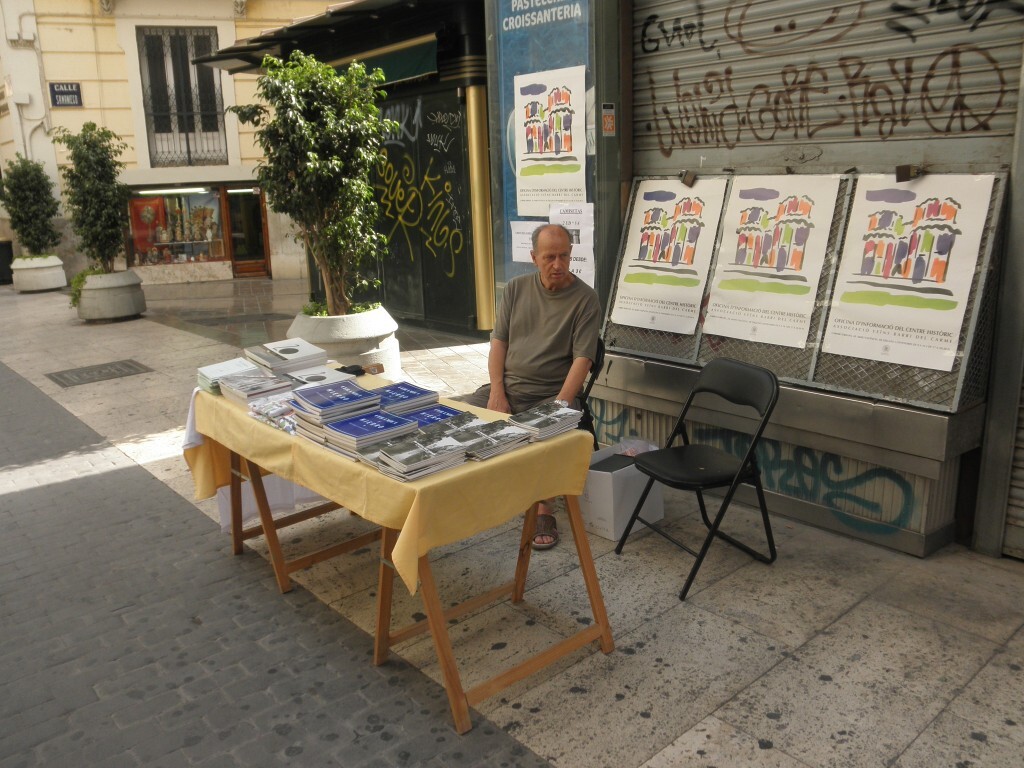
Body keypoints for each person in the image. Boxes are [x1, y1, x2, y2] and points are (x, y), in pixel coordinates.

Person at [464, 223, 601, 549]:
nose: (558, 264)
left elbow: (582, 361)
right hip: (509, 387)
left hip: (551, 395)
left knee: (548, 435)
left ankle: (543, 507)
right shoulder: (516, 289)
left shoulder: (585, 299)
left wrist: (559, 407)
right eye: (549, 257)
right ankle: (474, 491)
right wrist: (497, 391)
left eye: (564, 255)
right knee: (458, 416)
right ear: (534, 257)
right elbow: (499, 344)